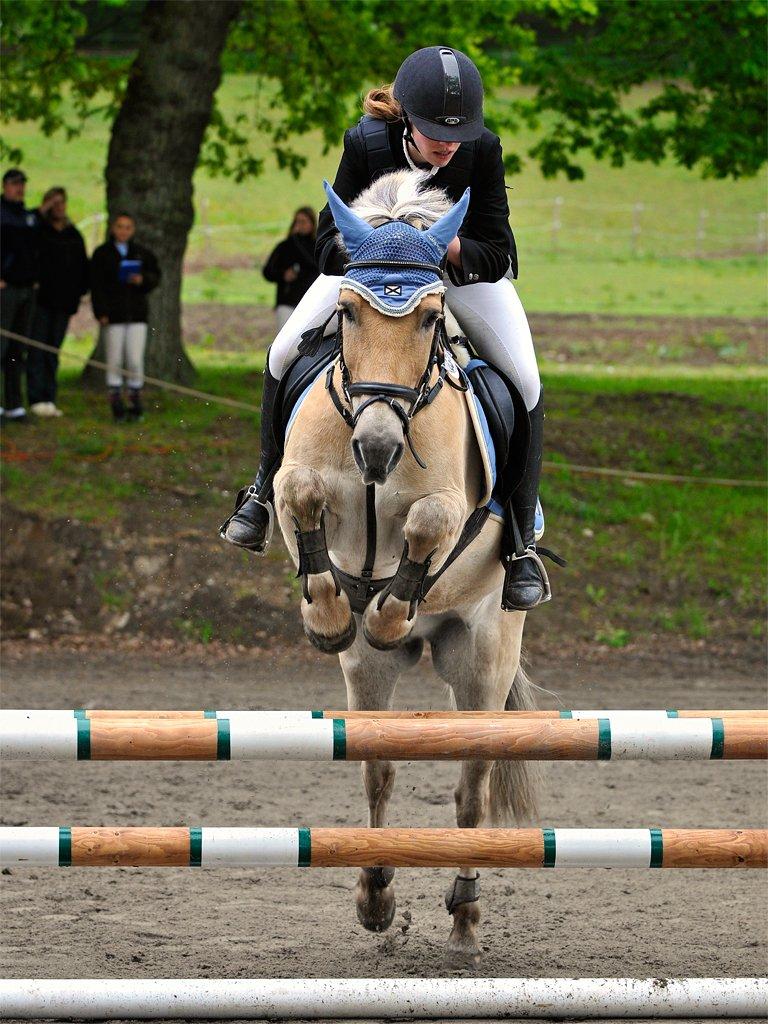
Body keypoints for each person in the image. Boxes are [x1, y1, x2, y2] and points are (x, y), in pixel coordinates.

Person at [223, 46, 549, 611]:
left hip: (451, 276)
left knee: (525, 381)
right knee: (281, 352)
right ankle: (259, 490)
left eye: (457, 133)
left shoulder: (483, 149)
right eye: (433, 133)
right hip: (369, 273)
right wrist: (373, 245)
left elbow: (497, 252)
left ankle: (519, 541)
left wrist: (446, 247)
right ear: (406, 120)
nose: (448, 145)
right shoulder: (366, 143)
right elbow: (327, 241)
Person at [90, 212, 160, 422]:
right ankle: (116, 402)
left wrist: (142, 280)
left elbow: (155, 276)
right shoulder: (102, 254)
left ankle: (135, 399)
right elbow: (96, 285)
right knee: (114, 359)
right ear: (113, 228)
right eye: (120, 226)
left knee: (134, 359)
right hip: (113, 315)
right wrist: (101, 311)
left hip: (137, 313)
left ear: (133, 230)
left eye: (128, 227)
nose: (124, 231)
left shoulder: (142, 253)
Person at [27, 187, 89, 417]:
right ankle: (35, 397)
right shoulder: (39, 231)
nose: (59, 207)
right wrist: (42, 211)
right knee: (37, 349)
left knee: (52, 350)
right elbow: (28, 232)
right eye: (54, 203)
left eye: (62, 202)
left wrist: (80, 292)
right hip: (41, 301)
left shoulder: (73, 234)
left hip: (64, 302)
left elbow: (83, 266)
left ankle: (49, 397)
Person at [0, 168, 46, 423]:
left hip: (27, 289)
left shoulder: (28, 217)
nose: (19, 188)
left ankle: (14, 405)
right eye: (15, 184)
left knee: (17, 349)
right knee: (0, 346)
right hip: (5, 290)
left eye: (22, 184)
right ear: (5, 185)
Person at [262, 207, 319, 332]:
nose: (300, 225)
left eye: (303, 222)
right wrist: (283, 275)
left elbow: (317, 267)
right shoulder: (284, 247)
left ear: (312, 223)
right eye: (297, 221)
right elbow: (267, 271)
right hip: (287, 301)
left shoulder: (318, 247)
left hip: (310, 302)